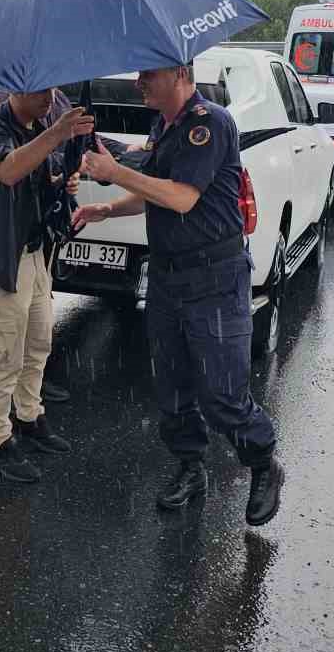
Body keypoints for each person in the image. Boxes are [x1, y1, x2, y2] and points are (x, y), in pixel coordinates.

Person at [73, 64, 284, 527]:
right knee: (172, 386)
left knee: (221, 393)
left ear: (181, 73)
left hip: (215, 277)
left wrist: (115, 173)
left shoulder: (210, 123)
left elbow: (183, 197)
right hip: (168, 276)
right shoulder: (162, 127)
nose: (139, 83)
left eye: (150, 74)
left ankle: (263, 461)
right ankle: (190, 467)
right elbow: (157, 194)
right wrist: (106, 207)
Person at [0, 87, 93, 483]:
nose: (50, 99)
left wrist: (61, 182)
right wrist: (57, 134)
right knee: (3, 358)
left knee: (38, 344)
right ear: (16, 89)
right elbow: (8, 170)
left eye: (52, 90)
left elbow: (40, 177)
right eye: (39, 91)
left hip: (32, 255)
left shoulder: (40, 124)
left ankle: (30, 417)